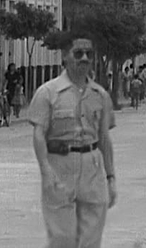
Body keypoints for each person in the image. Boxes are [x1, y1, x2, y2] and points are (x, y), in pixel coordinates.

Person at [28, 32, 117, 248]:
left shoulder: (100, 95)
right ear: (65, 56)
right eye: (78, 53)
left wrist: (111, 177)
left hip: (92, 166)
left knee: (91, 238)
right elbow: (39, 135)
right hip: (60, 164)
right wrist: (46, 171)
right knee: (62, 238)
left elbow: (104, 138)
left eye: (89, 53)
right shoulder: (47, 93)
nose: (84, 58)